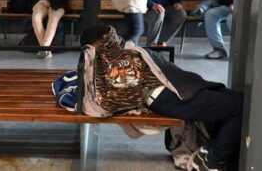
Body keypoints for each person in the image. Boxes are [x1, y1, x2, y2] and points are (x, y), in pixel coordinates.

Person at [80, 25, 243, 171]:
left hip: (173, 91)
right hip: (167, 96)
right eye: (110, 35)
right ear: (100, 41)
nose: (117, 38)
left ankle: (208, 150)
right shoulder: (110, 59)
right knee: (239, 106)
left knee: (234, 98)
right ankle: (212, 160)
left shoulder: (117, 56)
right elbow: (123, 91)